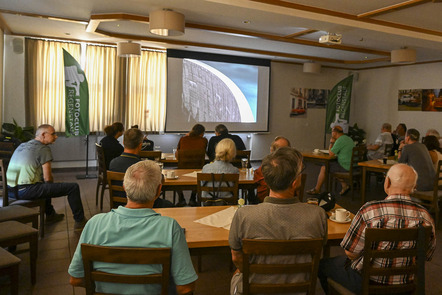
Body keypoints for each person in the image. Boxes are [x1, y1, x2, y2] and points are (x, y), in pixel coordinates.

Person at [68, 160, 198, 295]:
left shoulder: (94, 224)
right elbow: (185, 287)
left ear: (124, 187)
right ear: (158, 191)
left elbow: (75, 279)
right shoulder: (170, 227)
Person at [318, 164, 436, 294]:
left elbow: (350, 253)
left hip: (368, 284)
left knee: (323, 265)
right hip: (406, 285)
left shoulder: (370, 210)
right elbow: (426, 254)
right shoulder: (425, 216)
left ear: (387, 182)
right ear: (414, 187)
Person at [229, 147, 327, 295]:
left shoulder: (243, 215)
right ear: (294, 183)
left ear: (267, 180)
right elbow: (318, 253)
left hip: (256, 289)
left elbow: (236, 258)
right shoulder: (318, 215)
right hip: (302, 289)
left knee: (236, 276)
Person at [6, 124, 87, 229]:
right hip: (25, 191)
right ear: (43, 135)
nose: (56, 136)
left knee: (43, 185)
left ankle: (50, 214)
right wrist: (50, 187)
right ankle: (80, 221)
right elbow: (48, 178)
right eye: (53, 134)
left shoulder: (22, 145)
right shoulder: (43, 149)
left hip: (10, 190)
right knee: (72, 187)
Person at [109, 128, 174, 208]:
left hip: (119, 204)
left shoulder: (113, 163)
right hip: (143, 204)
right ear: (140, 145)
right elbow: (160, 180)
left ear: (123, 143)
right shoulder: (142, 167)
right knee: (168, 204)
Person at [307, 125, 355, 196]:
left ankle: (317, 189)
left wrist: (331, 142)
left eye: (332, 132)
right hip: (352, 165)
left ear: (335, 133)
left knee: (324, 167)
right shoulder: (348, 139)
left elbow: (331, 153)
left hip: (345, 166)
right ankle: (345, 186)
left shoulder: (340, 140)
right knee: (332, 165)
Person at [176, 124, 208, 207]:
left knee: (173, 174)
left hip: (182, 168)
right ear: (202, 133)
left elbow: (177, 154)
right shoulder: (204, 140)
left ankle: (181, 198)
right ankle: (193, 198)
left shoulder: (183, 139)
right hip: (198, 168)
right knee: (202, 172)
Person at [254, 136, 291, 202]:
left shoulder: (266, 166)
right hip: (290, 202)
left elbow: (256, 178)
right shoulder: (294, 167)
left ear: (272, 150)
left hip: (265, 200)